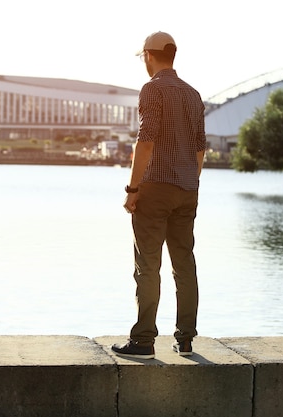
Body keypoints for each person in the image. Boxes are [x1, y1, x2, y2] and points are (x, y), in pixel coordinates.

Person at [111, 32, 206, 360]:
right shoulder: (193, 95)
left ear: (149, 56)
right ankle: (186, 339)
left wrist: (133, 189)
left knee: (148, 264)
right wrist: (190, 183)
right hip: (187, 190)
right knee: (184, 264)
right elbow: (199, 149)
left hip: (155, 190)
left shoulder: (152, 90)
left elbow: (146, 140)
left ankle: (143, 341)